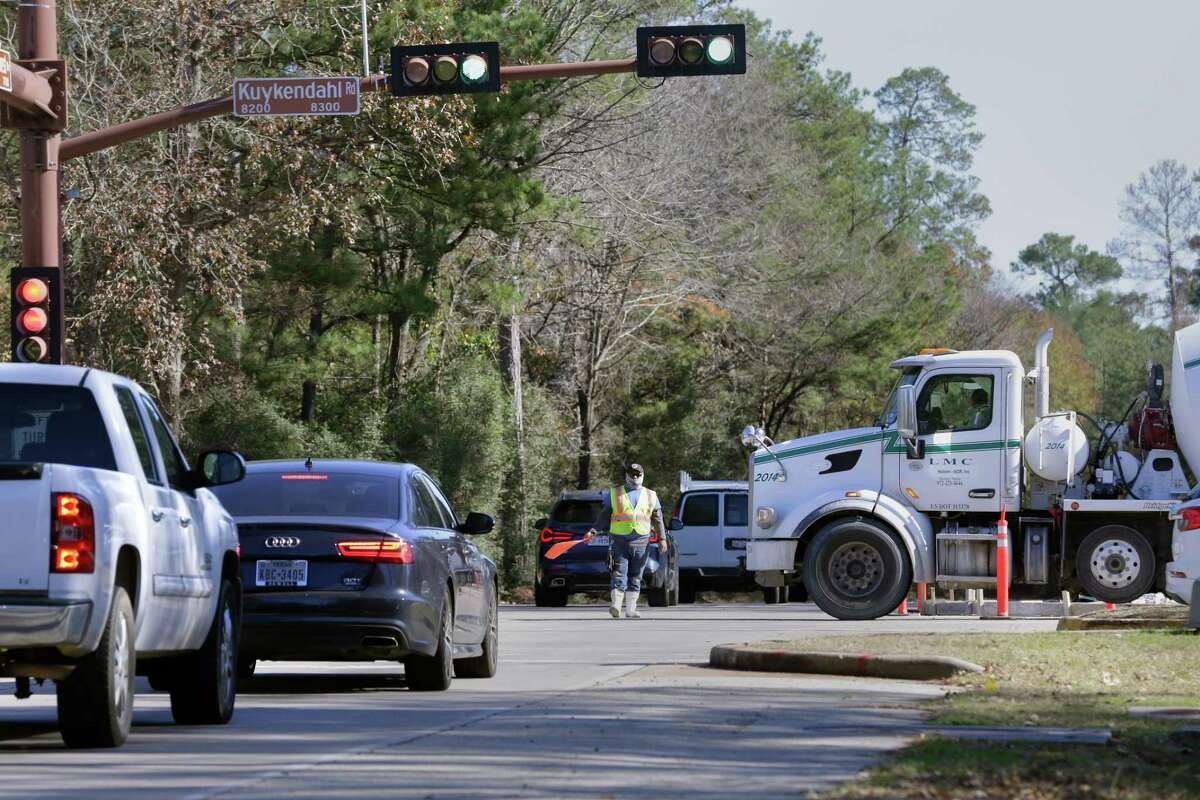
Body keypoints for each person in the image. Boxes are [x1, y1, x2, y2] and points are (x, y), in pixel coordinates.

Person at [585, 462, 665, 619]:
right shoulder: (615, 494)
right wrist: (593, 531)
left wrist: (662, 538)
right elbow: (604, 515)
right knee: (619, 573)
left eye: (637, 474)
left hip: (641, 541)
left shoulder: (651, 495)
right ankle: (616, 605)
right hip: (619, 541)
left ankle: (630, 610)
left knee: (636, 576)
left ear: (642, 476)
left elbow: (658, 519)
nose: (634, 477)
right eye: (631, 474)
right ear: (626, 476)